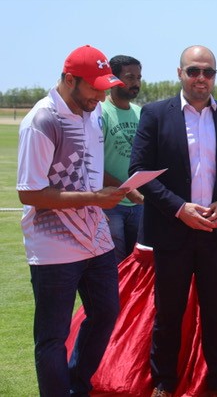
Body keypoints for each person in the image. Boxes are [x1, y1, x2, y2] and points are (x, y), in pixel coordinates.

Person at [129, 45, 217, 397]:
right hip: (172, 231)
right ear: (179, 73)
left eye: (208, 72)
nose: (201, 78)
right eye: (193, 71)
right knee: (169, 314)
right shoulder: (155, 114)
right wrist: (180, 208)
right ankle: (164, 383)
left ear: (215, 76)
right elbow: (139, 171)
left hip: (216, 231)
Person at [16, 45, 127, 396]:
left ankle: (77, 386)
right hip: (54, 246)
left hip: (96, 238)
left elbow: (87, 170)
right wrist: (95, 199)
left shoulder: (92, 113)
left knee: (106, 313)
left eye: (104, 88)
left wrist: (125, 188)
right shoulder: (41, 121)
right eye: (94, 87)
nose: (101, 96)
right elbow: (30, 193)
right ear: (69, 80)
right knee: (52, 335)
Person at [101, 54, 144, 262]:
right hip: (110, 204)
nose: (136, 83)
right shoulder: (100, 113)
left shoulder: (140, 113)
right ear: (113, 78)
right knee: (114, 265)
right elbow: (92, 166)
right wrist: (126, 190)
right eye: (130, 77)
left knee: (138, 263)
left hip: (139, 204)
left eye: (139, 77)